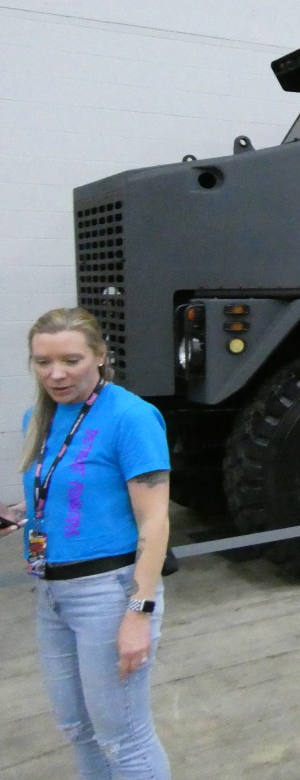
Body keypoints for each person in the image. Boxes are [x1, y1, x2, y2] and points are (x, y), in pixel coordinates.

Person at [1, 307, 171, 779]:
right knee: (78, 728)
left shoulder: (131, 417)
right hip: (51, 594)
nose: (55, 374)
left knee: (124, 738)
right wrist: (19, 513)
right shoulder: (39, 417)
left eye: (70, 361)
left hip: (108, 593)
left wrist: (138, 614)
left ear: (99, 356)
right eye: (42, 362)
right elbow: (66, 486)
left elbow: (155, 520)